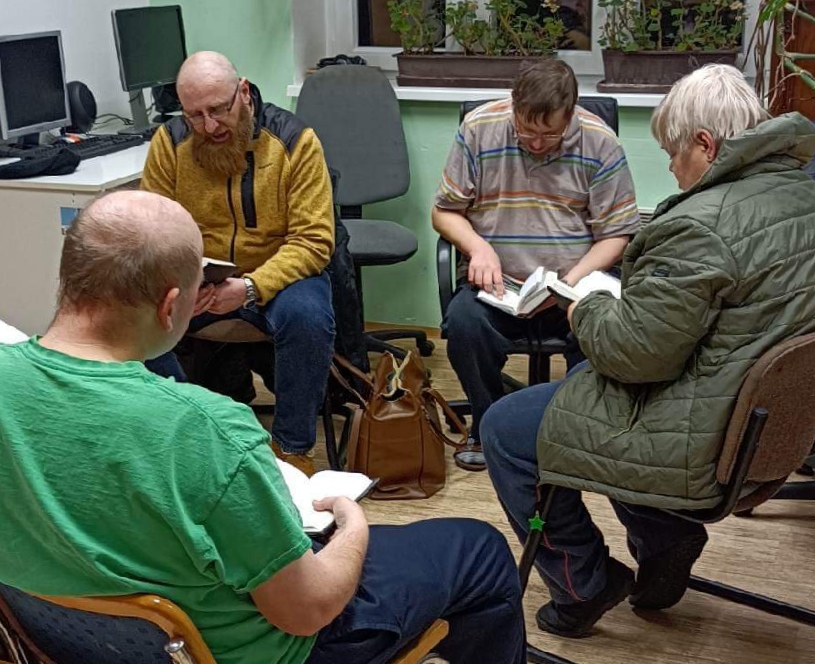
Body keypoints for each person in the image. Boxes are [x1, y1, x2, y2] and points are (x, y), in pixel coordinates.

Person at [0, 190, 526, 664]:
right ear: (171, 306)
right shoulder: (207, 429)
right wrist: (354, 527)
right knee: (478, 549)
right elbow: (307, 611)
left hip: (58, 641)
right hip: (257, 649)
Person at [481, 64, 815, 639]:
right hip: (768, 429)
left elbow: (634, 355)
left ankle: (582, 584)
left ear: (705, 144)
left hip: (700, 439)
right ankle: (664, 536)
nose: (670, 167)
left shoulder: (703, 225)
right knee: (582, 401)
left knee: (505, 429)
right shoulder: (813, 198)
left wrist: (586, 306)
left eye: (673, 152)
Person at [432, 59, 641, 470]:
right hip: (500, 285)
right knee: (464, 324)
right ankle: (488, 424)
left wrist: (568, 284)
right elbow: (444, 212)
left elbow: (617, 234)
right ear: (514, 105)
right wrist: (478, 248)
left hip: (575, 285)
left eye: (551, 134)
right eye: (527, 130)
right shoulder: (479, 129)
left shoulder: (600, 142)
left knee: (603, 329)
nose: (538, 143)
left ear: (571, 114)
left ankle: (575, 431)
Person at [142, 51, 336, 476]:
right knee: (133, 318)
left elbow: (314, 241)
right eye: (194, 116)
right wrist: (184, 282)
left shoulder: (295, 141)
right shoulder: (170, 143)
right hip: (198, 279)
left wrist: (249, 288)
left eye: (218, 110)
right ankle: (198, 434)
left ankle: (291, 451)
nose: (209, 126)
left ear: (243, 93)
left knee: (308, 317)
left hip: (278, 276)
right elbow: (153, 232)